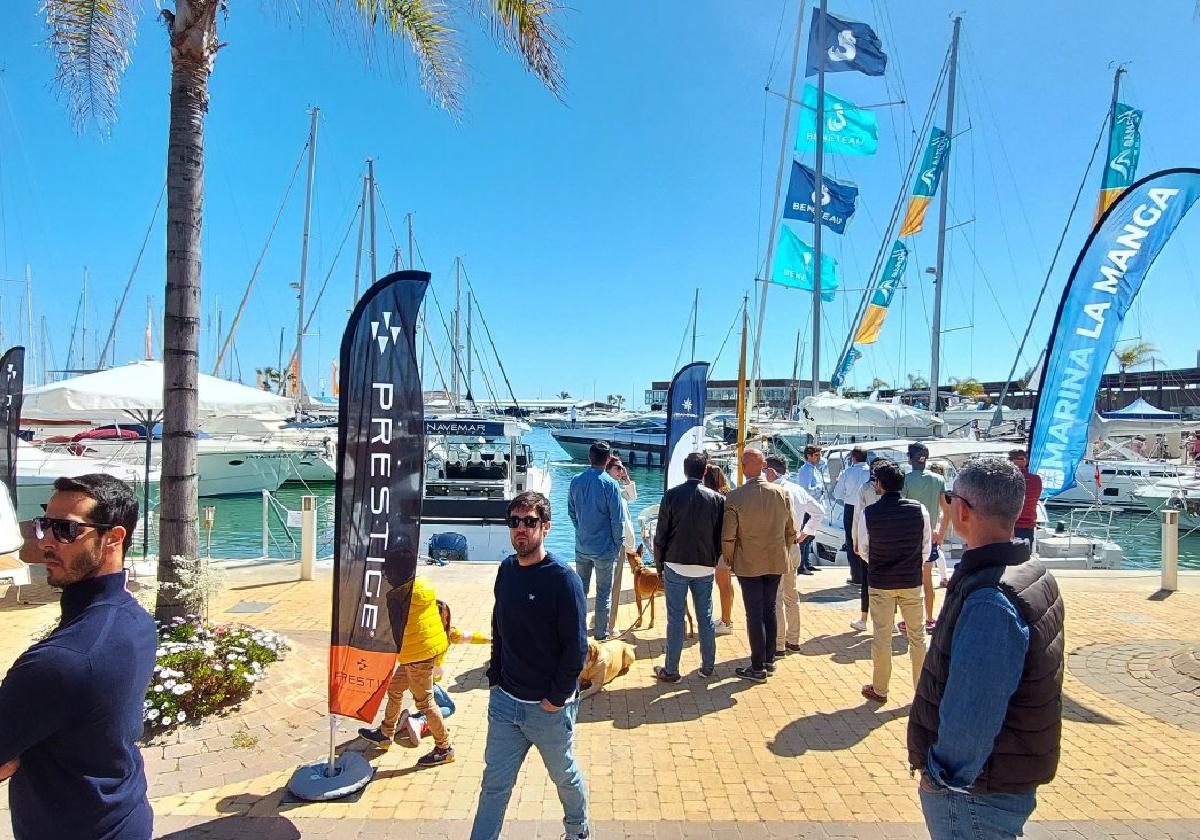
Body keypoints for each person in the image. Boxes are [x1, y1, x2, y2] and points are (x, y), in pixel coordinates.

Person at [909, 457, 1065, 840]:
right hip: (1005, 774)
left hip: (976, 791)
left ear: (961, 509)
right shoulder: (1031, 572)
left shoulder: (990, 598)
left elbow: (974, 707)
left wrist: (944, 775)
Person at [0, 475, 155, 840]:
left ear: (113, 538)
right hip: (124, 812)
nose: (46, 542)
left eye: (66, 531)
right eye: (45, 525)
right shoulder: (135, 621)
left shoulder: (62, 660)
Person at [471, 491, 589, 840]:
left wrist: (555, 699)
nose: (521, 529)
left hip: (547, 710)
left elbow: (576, 648)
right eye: (515, 522)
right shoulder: (506, 570)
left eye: (529, 522)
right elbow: (499, 626)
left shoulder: (563, 579)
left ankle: (578, 832)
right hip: (505, 703)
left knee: (564, 778)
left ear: (546, 527)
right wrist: (495, 677)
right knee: (493, 786)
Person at [358, 575, 454, 766]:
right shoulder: (421, 585)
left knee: (425, 704)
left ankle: (444, 748)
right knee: (394, 689)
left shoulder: (400, 596)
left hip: (417, 656)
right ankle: (386, 733)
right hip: (418, 651)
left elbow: (386, 624)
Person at [721, 448, 796, 682]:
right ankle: (769, 659)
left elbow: (728, 535)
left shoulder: (735, 497)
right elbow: (790, 529)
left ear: (744, 467)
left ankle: (757, 666)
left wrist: (729, 559)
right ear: (764, 466)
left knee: (754, 613)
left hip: (748, 561)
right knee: (770, 609)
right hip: (775, 559)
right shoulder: (781, 493)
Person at [859, 461, 930, 703]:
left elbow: (863, 550)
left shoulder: (868, 513)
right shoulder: (919, 510)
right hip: (911, 580)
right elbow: (925, 548)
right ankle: (921, 690)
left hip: (881, 581)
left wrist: (880, 561)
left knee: (881, 637)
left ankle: (880, 688)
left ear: (880, 484)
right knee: (917, 637)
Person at [651, 451, 724, 682]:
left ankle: (671, 670)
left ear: (685, 470)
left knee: (675, 618)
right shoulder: (717, 499)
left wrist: (659, 565)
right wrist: (714, 557)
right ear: (704, 471)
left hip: (675, 563)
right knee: (706, 616)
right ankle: (708, 666)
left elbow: (660, 534)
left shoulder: (671, 496)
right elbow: (720, 535)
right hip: (704, 565)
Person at [765, 455, 823, 656]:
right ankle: (793, 639)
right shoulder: (797, 489)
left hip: (776, 547)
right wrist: (805, 533)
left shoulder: (771, 491)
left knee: (777, 597)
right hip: (793, 545)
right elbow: (819, 511)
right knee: (791, 594)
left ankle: (779, 643)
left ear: (771, 472)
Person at [567, 440, 624, 640]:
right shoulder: (611, 485)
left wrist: (581, 529)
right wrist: (618, 543)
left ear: (589, 457)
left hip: (582, 545)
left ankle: (578, 634)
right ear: (608, 459)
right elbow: (617, 520)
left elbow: (571, 511)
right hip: (604, 548)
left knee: (580, 592)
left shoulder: (576, 480)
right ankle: (601, 635)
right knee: (603, 594)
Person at [903, 443, 951, 633]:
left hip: (910, 536)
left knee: (909, 580)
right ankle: (930, 618)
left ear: (910, 458)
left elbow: (903, 508)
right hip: (930, 535)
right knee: (927, 579)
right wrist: (941, 533)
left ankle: (909, 620)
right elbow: (947, 510)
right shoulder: (938, 480)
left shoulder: (905, 480)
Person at [850, 456, 886, 632]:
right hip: (888, 540)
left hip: (868, 540)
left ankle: (864, 618)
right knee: (888, 580)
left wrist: (855, 539)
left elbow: (858, 515)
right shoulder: (894, 489)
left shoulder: (865, 488)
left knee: (866, 581)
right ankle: (890, 621)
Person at [604, 455, 638, 636]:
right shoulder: (608, 489)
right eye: (617, 468)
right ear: (607, 469)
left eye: (621, 468)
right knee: (611, 586)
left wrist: (626, 478)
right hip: (613, 543)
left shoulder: (617, 488)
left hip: (621, 543)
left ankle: (609, 623)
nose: (620, 471)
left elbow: (632, 496)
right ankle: (609, 626)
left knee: (613, 585)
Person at [703, 463, 737, 636]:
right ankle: (727, 617)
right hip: (729, 546)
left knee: (723, 584)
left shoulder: (714, 498)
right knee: (727, 585)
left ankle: (726, 622)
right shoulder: (729, 495)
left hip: (720, 547)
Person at [833, 447, 872, 586]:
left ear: (853, 458)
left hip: (851, 507)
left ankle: (856, 576)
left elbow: (837, 494)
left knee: (851, 540)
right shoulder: (870, 472)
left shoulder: (846, 472)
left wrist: (847, 495)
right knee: (869, 540)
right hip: (869, 507)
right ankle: (869, 575)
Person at [793, 445, 827, 572]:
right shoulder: (806, 470)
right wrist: (819, 490)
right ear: (809, 456)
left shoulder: (813, 469)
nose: (820, 458)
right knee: (805, 536)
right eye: (817, 455)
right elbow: (805, 489)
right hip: (808, 507)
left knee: (810, 536)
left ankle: (806, 562)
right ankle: (801, 565)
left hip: (814, 506)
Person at [1008, 449, 1042, 549]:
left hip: (1008, 527)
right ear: (1026, 461)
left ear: (1011, 461)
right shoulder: (1036, 480)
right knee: (1024, 560)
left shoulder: (1006, 479)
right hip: (1028, 526)